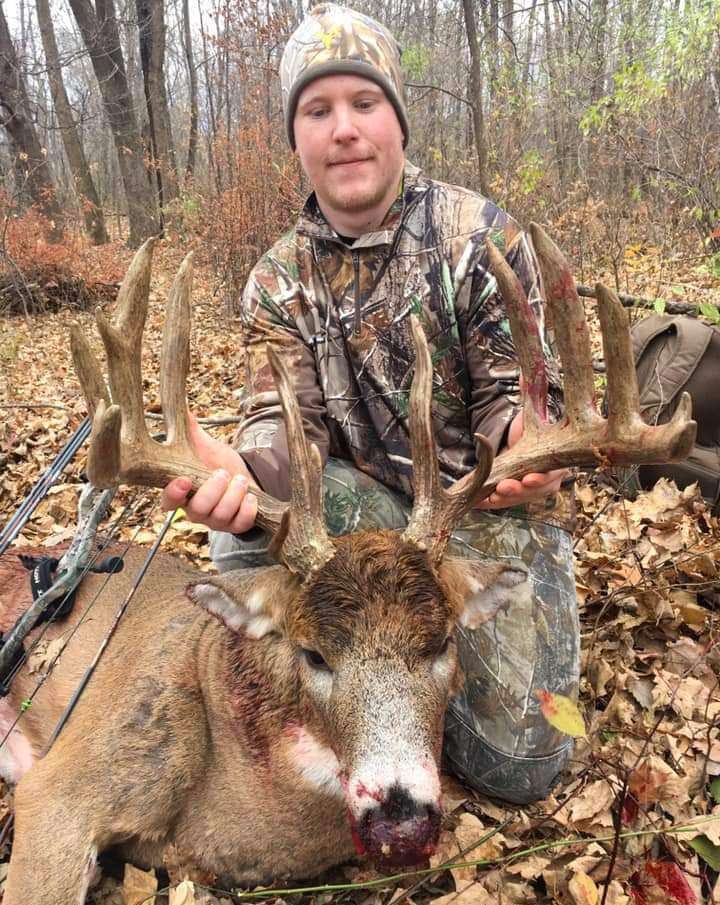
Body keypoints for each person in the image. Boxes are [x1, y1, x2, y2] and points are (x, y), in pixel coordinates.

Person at [161, 3, 580, 805]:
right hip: (358, 517)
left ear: (398, 121)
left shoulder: (477, 235)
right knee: (241, 542)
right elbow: (286, 431)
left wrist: (528, 441)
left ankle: (393, 677)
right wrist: (244, 472)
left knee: (521, 768)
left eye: (365, 103)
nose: (343, 128)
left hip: (475, 516)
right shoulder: (277, 280)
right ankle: (334, 709)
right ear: (297, 140)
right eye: (317, 111)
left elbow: (515, 394)